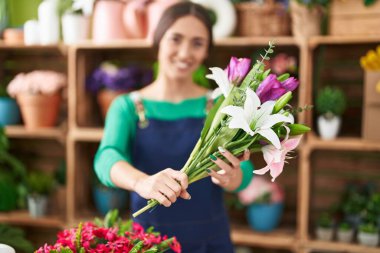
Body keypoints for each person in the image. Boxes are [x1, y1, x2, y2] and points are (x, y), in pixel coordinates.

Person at [94, 2, 254, 252]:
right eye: (175, 39)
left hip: (211, 240)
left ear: (206, 51)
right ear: (158, 40)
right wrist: (142, 183)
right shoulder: (128, 106)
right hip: (148, 241)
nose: (185, 52)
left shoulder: (220, 104)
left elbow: (244, 168)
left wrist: (233, 177)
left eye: (197, 43)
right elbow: (106, 158)